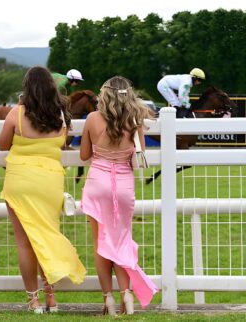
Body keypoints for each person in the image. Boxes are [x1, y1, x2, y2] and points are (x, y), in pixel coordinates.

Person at [0, 66, 86, 314]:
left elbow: (3, 143)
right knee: (46, 236)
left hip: (20, 181)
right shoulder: (59, 115)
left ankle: (33, 300)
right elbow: (63, 141)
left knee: (25, 244)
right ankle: (51, 298)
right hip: (49, 181)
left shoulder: (16, 113)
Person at [80, 76, 158, 315]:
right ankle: (127, 296)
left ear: (105, 95)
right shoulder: (134, 120)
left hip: (97, 184)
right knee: (121, 240)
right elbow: (138, 158)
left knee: (100, 244)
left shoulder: (92, 119)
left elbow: (84, 155)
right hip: (124, 186)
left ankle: (108, 300)